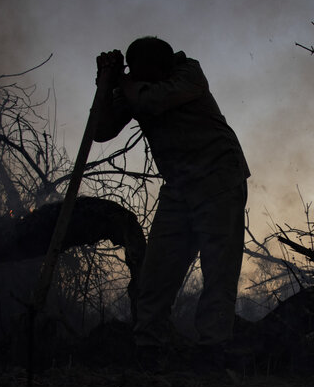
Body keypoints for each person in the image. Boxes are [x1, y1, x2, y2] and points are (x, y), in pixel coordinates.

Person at [90, 37, 250, 358]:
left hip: (219, 177)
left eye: (145, 73)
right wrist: (105, 87)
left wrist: (121, 80)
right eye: (136, 73)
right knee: (157, 271)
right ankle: (149, 348)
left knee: (218, 269)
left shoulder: (188, 74)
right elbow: (101, 130)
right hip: (179, 186)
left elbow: (151, 102)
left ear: (163, 67)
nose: (140, 78)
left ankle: (213, 350)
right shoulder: (136, 85)